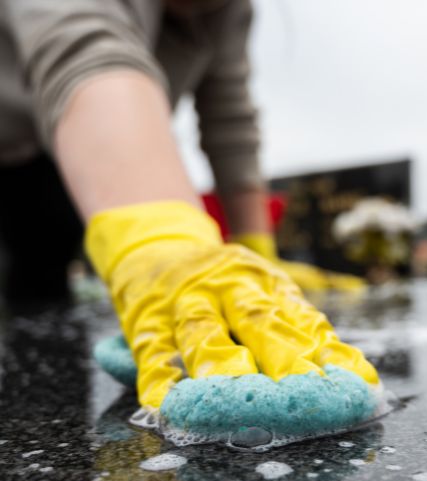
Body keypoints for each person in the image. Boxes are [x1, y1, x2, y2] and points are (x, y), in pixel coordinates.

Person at [0, 0, 378, 414]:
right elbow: (83, 48)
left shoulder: (229, 11)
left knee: (43, 294)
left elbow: (229, 119)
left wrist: (257, 253)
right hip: (32, 145)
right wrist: (162, 238)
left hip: (89, 163)